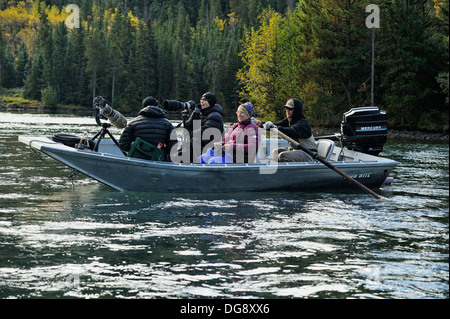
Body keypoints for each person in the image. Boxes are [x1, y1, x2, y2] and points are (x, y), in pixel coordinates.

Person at [118, 96, 176, 161]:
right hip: (158, 162)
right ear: (157, 107)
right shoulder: (168, 124)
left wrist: (138, 150)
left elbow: (123, 145)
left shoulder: (133, 123)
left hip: (137, 161)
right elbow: (173, 148)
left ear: (143, 107)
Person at [263, 98, 317, 162]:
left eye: (290, 109)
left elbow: (292, 131)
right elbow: (277, 124)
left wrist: (275, 127)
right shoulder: (289, 120)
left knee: (283, 156)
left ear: (296, 110)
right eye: (286, 108)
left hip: (309, 153)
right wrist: (261, 123)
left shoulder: (303, 123)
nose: (287, 110)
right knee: (275, 152)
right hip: (297, 150)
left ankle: (289, 171)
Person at [184, 92, 224, 161]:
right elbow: (188, 127)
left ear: (210, 102)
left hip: (209, 148)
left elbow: (204, 132)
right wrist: (194, 114)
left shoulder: (215, 116)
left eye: (204, 100)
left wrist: (190, 134)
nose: (202, 102)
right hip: (199, 145)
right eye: (201, 99)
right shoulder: (202, 114)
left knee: (192, 141)